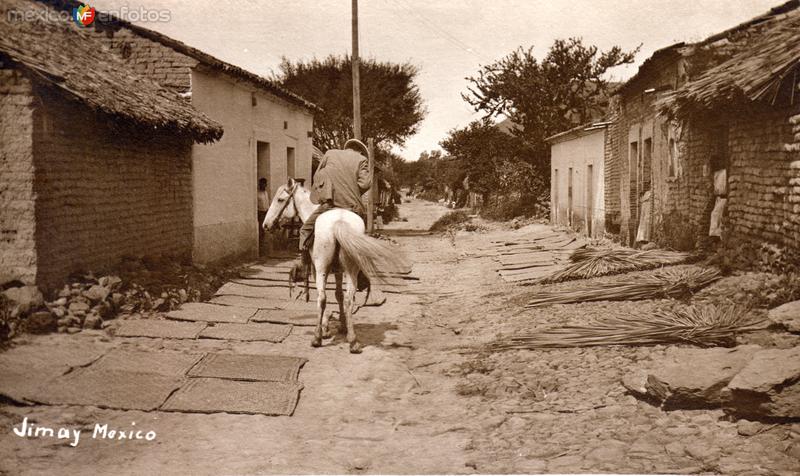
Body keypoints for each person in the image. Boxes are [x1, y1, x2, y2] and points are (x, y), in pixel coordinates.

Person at [299, 145, 371, 266]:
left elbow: (318, 175)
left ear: (346, 148)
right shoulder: (361, 159)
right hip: (352, 206)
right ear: (360, 151)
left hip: (329, 204)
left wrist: (324, 191)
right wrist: (352, 191)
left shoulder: (330, 153)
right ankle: (361, 272)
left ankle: (304, 265)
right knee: (363, 236)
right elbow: (365, 184)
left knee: (305, 230)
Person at [257, 178, 270, 246]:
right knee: (261, 229)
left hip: (266, 213)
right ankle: (260, 244)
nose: (264, 185)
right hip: (260, 213)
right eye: (263, 184)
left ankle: (265, 244)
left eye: (265, 184)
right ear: (260, 184)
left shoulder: (266, 193)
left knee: (266, 229)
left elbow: (267, 203)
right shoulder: (257, 193)